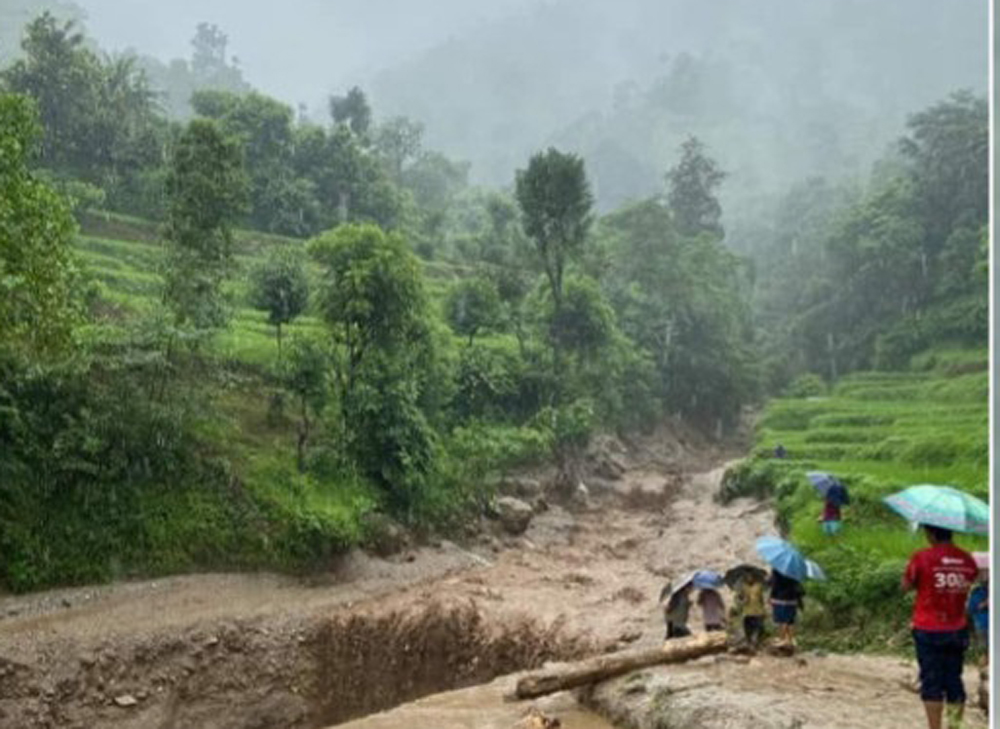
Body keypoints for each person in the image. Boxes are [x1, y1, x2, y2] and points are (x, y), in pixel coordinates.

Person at [902, 524, 978, 729]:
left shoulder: (922, 557)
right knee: (954, 680)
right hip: (957, 627)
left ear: (932, 534)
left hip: (928, 628)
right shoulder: (967, 559)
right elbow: (971, 581)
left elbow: (906, 585)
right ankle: (955, 726)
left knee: (932, 682)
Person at [769, 569, 804, 648]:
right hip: (792, 600)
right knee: (790, 621)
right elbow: (799, 588)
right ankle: (791, 639)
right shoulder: (794, 571)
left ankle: (782, 639)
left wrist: (771, 597)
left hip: (779, 599)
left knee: (782, 620)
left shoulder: (777, 570)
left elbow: (772, 584)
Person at [737, 572, 767, 650]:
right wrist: (742, 600)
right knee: (748, 629)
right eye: (747, 577)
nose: (749, 578)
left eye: (751, 576)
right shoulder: (743, 586)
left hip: (758, 611)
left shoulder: (759, 586)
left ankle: (756, 643)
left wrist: (764, 610)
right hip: (747, 612)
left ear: (754, 577)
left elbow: (761, 599)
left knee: (758, 628)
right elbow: (739, 598)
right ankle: (749, 643)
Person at [967, 566, 989, 667]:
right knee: (983, 651)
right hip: (983, 625)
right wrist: (985, 603)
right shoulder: (977, 592)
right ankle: (983, 675)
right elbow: (971, 609)